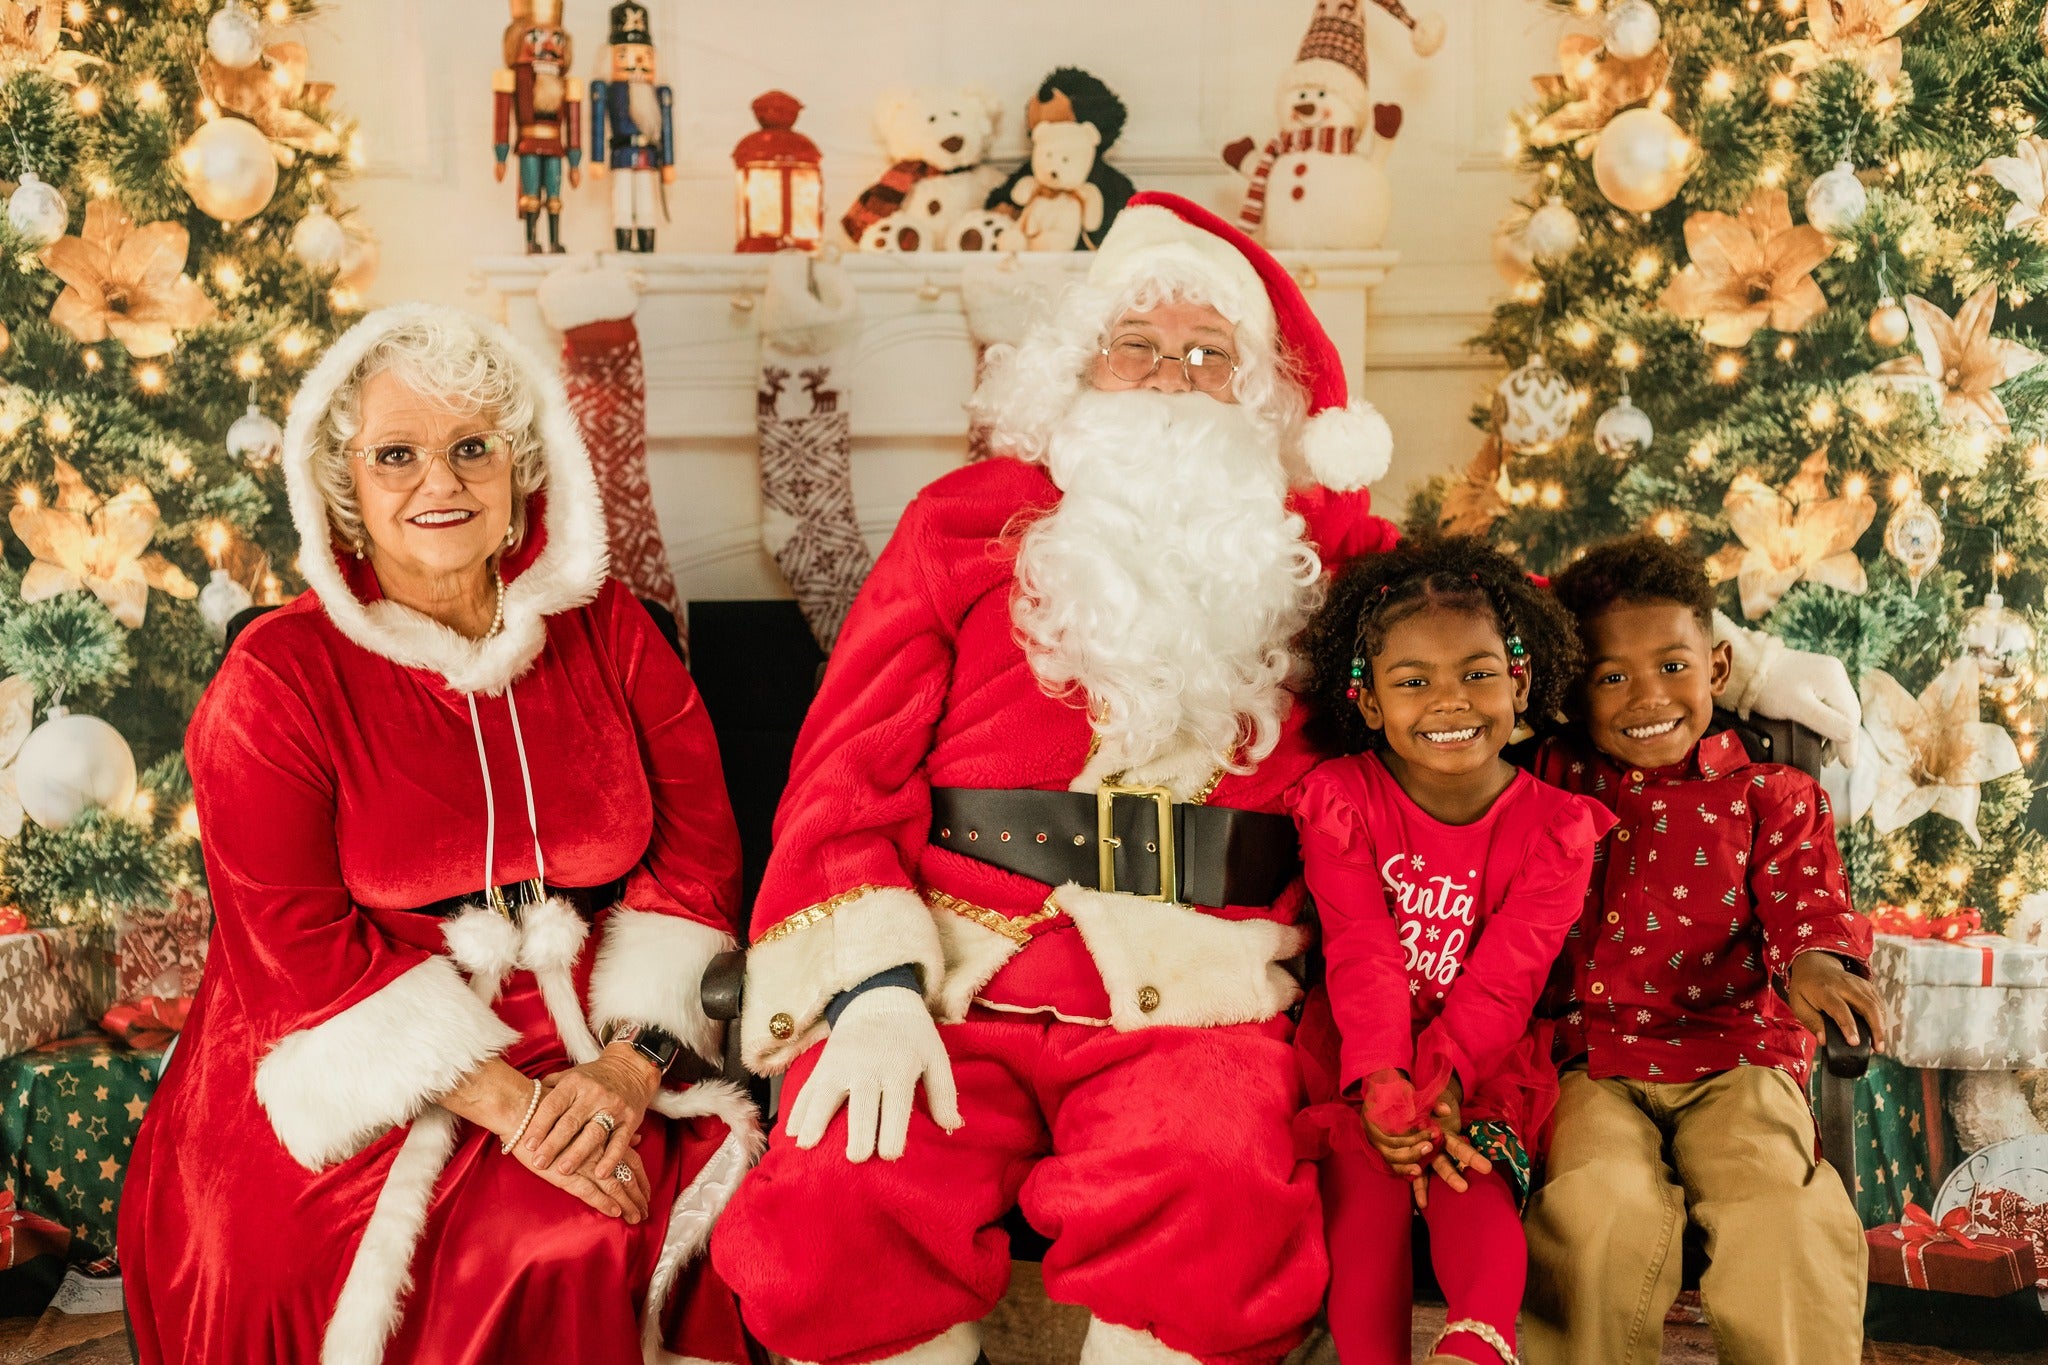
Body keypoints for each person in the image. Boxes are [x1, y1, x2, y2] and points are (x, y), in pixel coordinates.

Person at [711, 192, 1403, 1365]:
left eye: (1208, 354)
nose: (1173, 375)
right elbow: (842, 773)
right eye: (1137, 348)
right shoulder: (959, 525)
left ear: (1258, 400)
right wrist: (868, 989)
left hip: (1194, 989)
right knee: (836, 1194)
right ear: (1078, 372)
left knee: (1212, 1190)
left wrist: (1731, 654)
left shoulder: (1323, 561)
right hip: (952, 974)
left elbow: (1501, 637)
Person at [119, 304, 758, 1365]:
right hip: (344, 1048)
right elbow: (297, 955)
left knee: (713, 1216)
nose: (440, 483)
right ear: (347, 495)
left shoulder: (612, 631)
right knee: (543, 1243)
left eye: (471, 450)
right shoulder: (277, 678)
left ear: (519, 476)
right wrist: (519, 1114)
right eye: (397, 455)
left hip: (597, 1034)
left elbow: (697, 866)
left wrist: (626, 1070)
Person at [1521, 534, 1888, 1365]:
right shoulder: (1549, 776)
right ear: (1574, 689)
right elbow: (1492, 606)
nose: (1645, 695)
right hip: (1596, 1060)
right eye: (1611, 676)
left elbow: (1808, 902)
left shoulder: (1769, 792)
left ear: (1719, 668)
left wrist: (1819, 965)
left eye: (1673, 666)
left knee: (1782, 1212)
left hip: (1738, 1052)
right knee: (1595, 1209)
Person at [1289, 538, 1611, 1365]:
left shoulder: (1556, 828)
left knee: (1474, 1178)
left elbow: (1511, 976)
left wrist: (1447, 1077)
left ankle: (1478, 1341)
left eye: (1476, 673)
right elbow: (1359, 946)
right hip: (1364, 1051)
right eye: (1412, 681)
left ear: (1521, 681)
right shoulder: (1343, 800)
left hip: (1485, 1056)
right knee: (1363, 1197)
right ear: (1368, 702)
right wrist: (1388, 1079)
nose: (1449, 701)